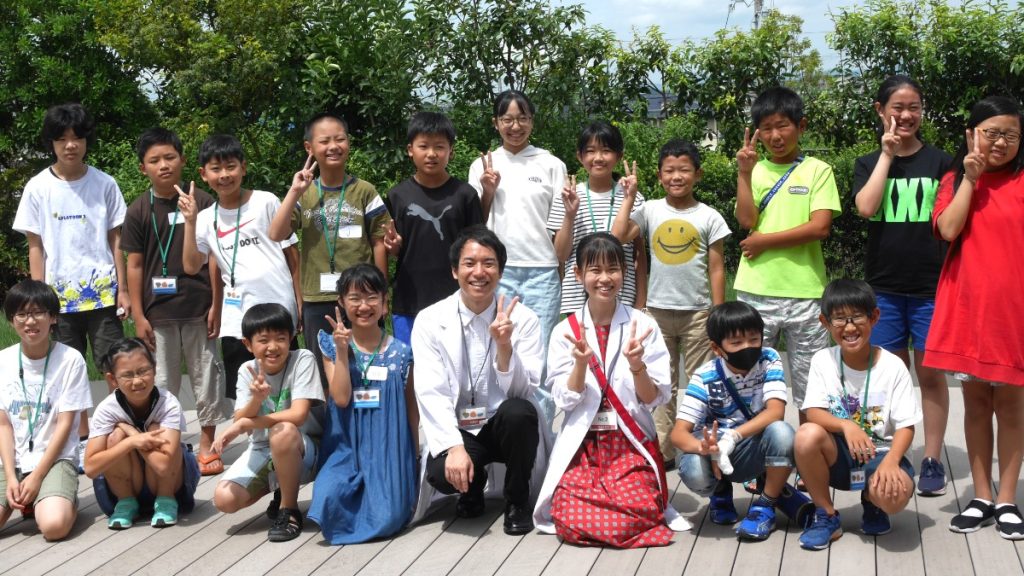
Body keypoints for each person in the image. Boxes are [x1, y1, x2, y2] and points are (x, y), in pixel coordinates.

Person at [534, 233, 689, 547]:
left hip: (629, 444)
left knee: (638, 510)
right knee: (568, 513)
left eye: (613, 269)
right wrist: (580, 365)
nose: (604, 278)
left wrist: (637, 365)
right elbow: (564, 400)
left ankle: (617, 515)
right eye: (595, 270)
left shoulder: (643, 326)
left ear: (624, 272)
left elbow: (653, 398)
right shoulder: (565, 331)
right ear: (578, 274)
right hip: (584, 446)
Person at [926, 96, 1024, 540]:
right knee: (977, 405)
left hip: (1013, 313)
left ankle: (1008, 499)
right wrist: (970, 177)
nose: (1000, 142)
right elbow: (948, 229)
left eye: (1010, 135)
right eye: (991, 133)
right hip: (968, 310)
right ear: (972, 134)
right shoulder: (953, 179)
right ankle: (982, 497)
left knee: (1012, 408)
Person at [852, 76, 953, 496]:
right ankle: (888, 454)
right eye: (898, 107)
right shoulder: (867, 162)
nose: (906, 115)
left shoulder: (943, 162)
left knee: (930, 377)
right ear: (881, 110)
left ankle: (931, 457)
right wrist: (886, 155)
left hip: (932, 286)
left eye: (914, 107)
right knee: (889, 378)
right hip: (885, 288)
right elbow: (866, 207)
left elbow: (950, 223)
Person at [13, 102, 127, 466]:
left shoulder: (105, 183)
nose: (70, 145)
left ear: (87, 140)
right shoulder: (37, 187)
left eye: (77, 137)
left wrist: (123, 290)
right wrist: (38, 301)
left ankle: (122, 431)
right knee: (65, 372)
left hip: (103, 296)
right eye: (62, 138)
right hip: (57, 301)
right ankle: (78, 441)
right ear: (51, 143)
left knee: (114, 365)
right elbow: (35, 246)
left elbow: (116, 240)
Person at [412, 225, 546, 535]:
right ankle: (472, 488)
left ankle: (517, 500)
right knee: (440, 472)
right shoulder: (430, 320)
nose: (479, 272)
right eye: (469, 263)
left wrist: (504, 347)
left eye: (488, 263)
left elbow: (524, 391)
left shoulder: (523, 319)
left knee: (519, 414)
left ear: (500, 271)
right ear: (454, 271)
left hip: (502, 426)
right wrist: (453, 446)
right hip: (460, 426)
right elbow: (431, 391)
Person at [611, 138, 730, 464]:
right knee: (662, 383)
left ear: (698, 174)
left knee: (702, 382)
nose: (677, 177)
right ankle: (664, 451)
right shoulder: (650, 210)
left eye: (684, 170)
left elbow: (717, 268)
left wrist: (718, 313)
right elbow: (617, 236)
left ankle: (699, 446)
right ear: (659, 175)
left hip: (698, 313)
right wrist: (629, 197)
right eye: (669, 171)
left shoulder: (710, 216)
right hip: (657, 312)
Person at [122, 128, 229, 475]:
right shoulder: (138, 210)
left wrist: (217, 305)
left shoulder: (205, 202)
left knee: (207, 377)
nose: (164, 165)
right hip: (158, 312)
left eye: (170, 157)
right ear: (143, 168)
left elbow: (214, 259)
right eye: (154, 160)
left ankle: (207, 445)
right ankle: (169, 444)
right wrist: (139, 315)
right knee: (162, 382)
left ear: (183, 160)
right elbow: (134, 265)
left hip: (200, 308)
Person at [734, 87, 841, 426]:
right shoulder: (754, 170)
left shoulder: (818, 170)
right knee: (750, 381)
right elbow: (746, 221)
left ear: (801, 125)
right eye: (766, 128)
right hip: (756, 289)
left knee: (811, 388)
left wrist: (765, 242)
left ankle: (811, 452)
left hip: (806, 292)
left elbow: (820, 227)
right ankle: (761, 456)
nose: (775, 136)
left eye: (782, 125)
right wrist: (744, 173)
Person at [795, 279, 920, 550]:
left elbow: (906, 425)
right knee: (806, 435)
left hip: (882, 453)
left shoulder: (894, 366)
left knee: (894, 497)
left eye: (857, 317)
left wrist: (892, 462)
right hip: (840, 455)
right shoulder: (822, 360)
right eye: (839, 319)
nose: (849, 327)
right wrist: (846, 426)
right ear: (825, 322)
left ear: (874, 317)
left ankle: (873, 502)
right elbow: (813, 411)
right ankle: (826, 514)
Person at [269, 113, 391, 384]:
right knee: (324, 371)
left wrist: (382, 295)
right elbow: (276, 233)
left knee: (366, 367)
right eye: (324, 141)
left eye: (340, 139)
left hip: (362, 296)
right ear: (309, 148)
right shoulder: (305, 193)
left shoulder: (364, 191)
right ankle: (328, 413)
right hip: (317, 297)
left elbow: (379, 242)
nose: (333, 146)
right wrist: (294, 191)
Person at [180, 134, 301, 400]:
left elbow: (292, 254)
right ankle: (252, 428)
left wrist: (299, 302)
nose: (224, 175)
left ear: (243, 168)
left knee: (286, 387)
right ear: (203, 174)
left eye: (230, 166)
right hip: (237, 319)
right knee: (244, 391)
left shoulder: (266, 201)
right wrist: (189, 221)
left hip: (279, 308)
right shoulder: (204, 218)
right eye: (216, 169)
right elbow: (191, 266)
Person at [307, 264, 418, 544]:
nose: (364, 306)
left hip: (388, 449)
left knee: (389, 516)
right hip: (346, 447)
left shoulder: (402, 353)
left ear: (384, 303)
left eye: (371, 298)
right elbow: (341, 398)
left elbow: (410, 409)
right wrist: (342, 351)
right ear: (342, 303)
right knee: (327, 499)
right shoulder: (331, 345)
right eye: (355, 298)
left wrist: (413, 456)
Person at [672, 301, 793, 541]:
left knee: (782, 432)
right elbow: (678, 434)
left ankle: (765, 505)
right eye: (736, 343)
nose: (747, 347)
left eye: (753, 339)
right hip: (715, 451)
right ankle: (719, 492)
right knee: (694, 469)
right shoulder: (704, 376)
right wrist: (704, 448)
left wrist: (733, 436)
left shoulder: (768, 359)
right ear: (717, 348)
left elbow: (775, 412)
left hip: (749, 444)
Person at [210, 303, 325, 542]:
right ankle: (281, 487)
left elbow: (298, 415)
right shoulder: (247, 370)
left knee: (282, 431)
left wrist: (246, 424)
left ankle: (289, 510)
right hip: (263, 449)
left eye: (280, 338)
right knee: (225, 499)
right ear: (248, 344)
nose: (273, 347)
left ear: (291, 338)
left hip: (306, 448)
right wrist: (257, 399)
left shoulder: (302, 359)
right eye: (263, 340)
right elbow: (241, 418)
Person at [468, 90, 567, 350]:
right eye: (507, 119)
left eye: (522, 118)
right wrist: (487, 192)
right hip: (498, 270)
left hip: (542, 271)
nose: (515, 127)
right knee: (496, 346)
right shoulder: (482, 166)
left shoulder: (551, 164)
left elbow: (559, 225)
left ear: (532, 121)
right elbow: (475, 225)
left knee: (540, 348)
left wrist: (559, 268)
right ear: (496, 122)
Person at [0, 280, 92, 541]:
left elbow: (65, 424)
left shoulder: (70, 360)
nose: (30, 321)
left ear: (53, 317)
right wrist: (11, 476)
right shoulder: (3, 360)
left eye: (38, 312)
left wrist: (37, 476)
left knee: (53, 527)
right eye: (21, 314)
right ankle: (31, 499)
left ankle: (61, 498)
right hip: (11, 462)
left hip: (55, 459)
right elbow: (3, 425)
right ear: (11, 320)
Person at [382, 111, 484, 344]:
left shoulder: (465, 195)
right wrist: (393, 247)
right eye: (423, 146)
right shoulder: (397, 196)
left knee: (457, 361)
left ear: (451, 151)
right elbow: (392, 247)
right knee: (411, 362)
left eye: (439, 147)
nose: (431, 154)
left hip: (457, 299)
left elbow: (477, 247)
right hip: (409, 299)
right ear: (410, 150)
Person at [84, 338, 200, 530]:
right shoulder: (107, 409)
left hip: (172, 484)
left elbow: (163, 465)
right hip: (126, 484)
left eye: (143, 371)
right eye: (127, 375)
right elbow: (90, 468)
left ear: (154, 369)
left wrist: (133, 433)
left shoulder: (168, 403)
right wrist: (130, 442)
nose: (137, 381)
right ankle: (126, 502)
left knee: (155, 429)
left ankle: (165, 499)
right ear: (112, 379)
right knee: (115, 437)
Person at [548, 121, 647, 317]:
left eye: (606, 151)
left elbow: (639, 255)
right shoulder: (567, 197)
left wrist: (640, 302)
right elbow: (561, 254)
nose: (599, 158)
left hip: (623, 298)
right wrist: (569, 215)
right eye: (591, 151)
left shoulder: (634, 197)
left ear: (619, 156)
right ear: (580, 156)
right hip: (576, 298)